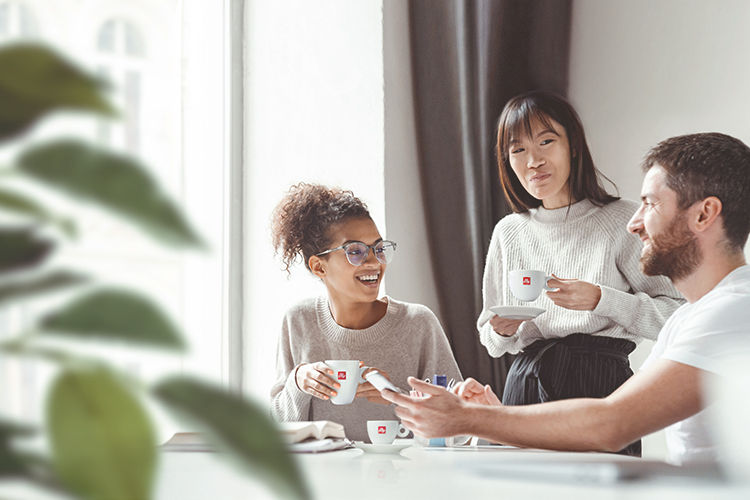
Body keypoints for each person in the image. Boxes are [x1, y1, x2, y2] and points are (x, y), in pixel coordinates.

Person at [383, 132, 750, 465]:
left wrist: (467, 417)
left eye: (650, 204)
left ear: (704, 214)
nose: (633, 222)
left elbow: (611, 425)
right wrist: (495, 415)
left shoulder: (733, 311)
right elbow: (606, 420)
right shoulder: (695, 317)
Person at [477, 91, 683, 455]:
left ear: (572, 145)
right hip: (525, 383)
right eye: (518, 150)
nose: (533, 161)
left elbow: (678, 315)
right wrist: (500, 328)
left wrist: (603, 300)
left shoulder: (623, 220)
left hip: (601, 386)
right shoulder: (509, 232)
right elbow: (490, 335)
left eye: (546, 141)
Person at [269, 183, 461, 442]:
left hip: (403, 477)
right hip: (323, 476)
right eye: (355, 252)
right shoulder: (298, 322)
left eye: (379, 249)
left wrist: (395, 397)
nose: (373, 261)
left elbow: (457, 426)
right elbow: (278, 431)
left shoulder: (418, 324)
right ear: (318, 267)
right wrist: (298, 382)